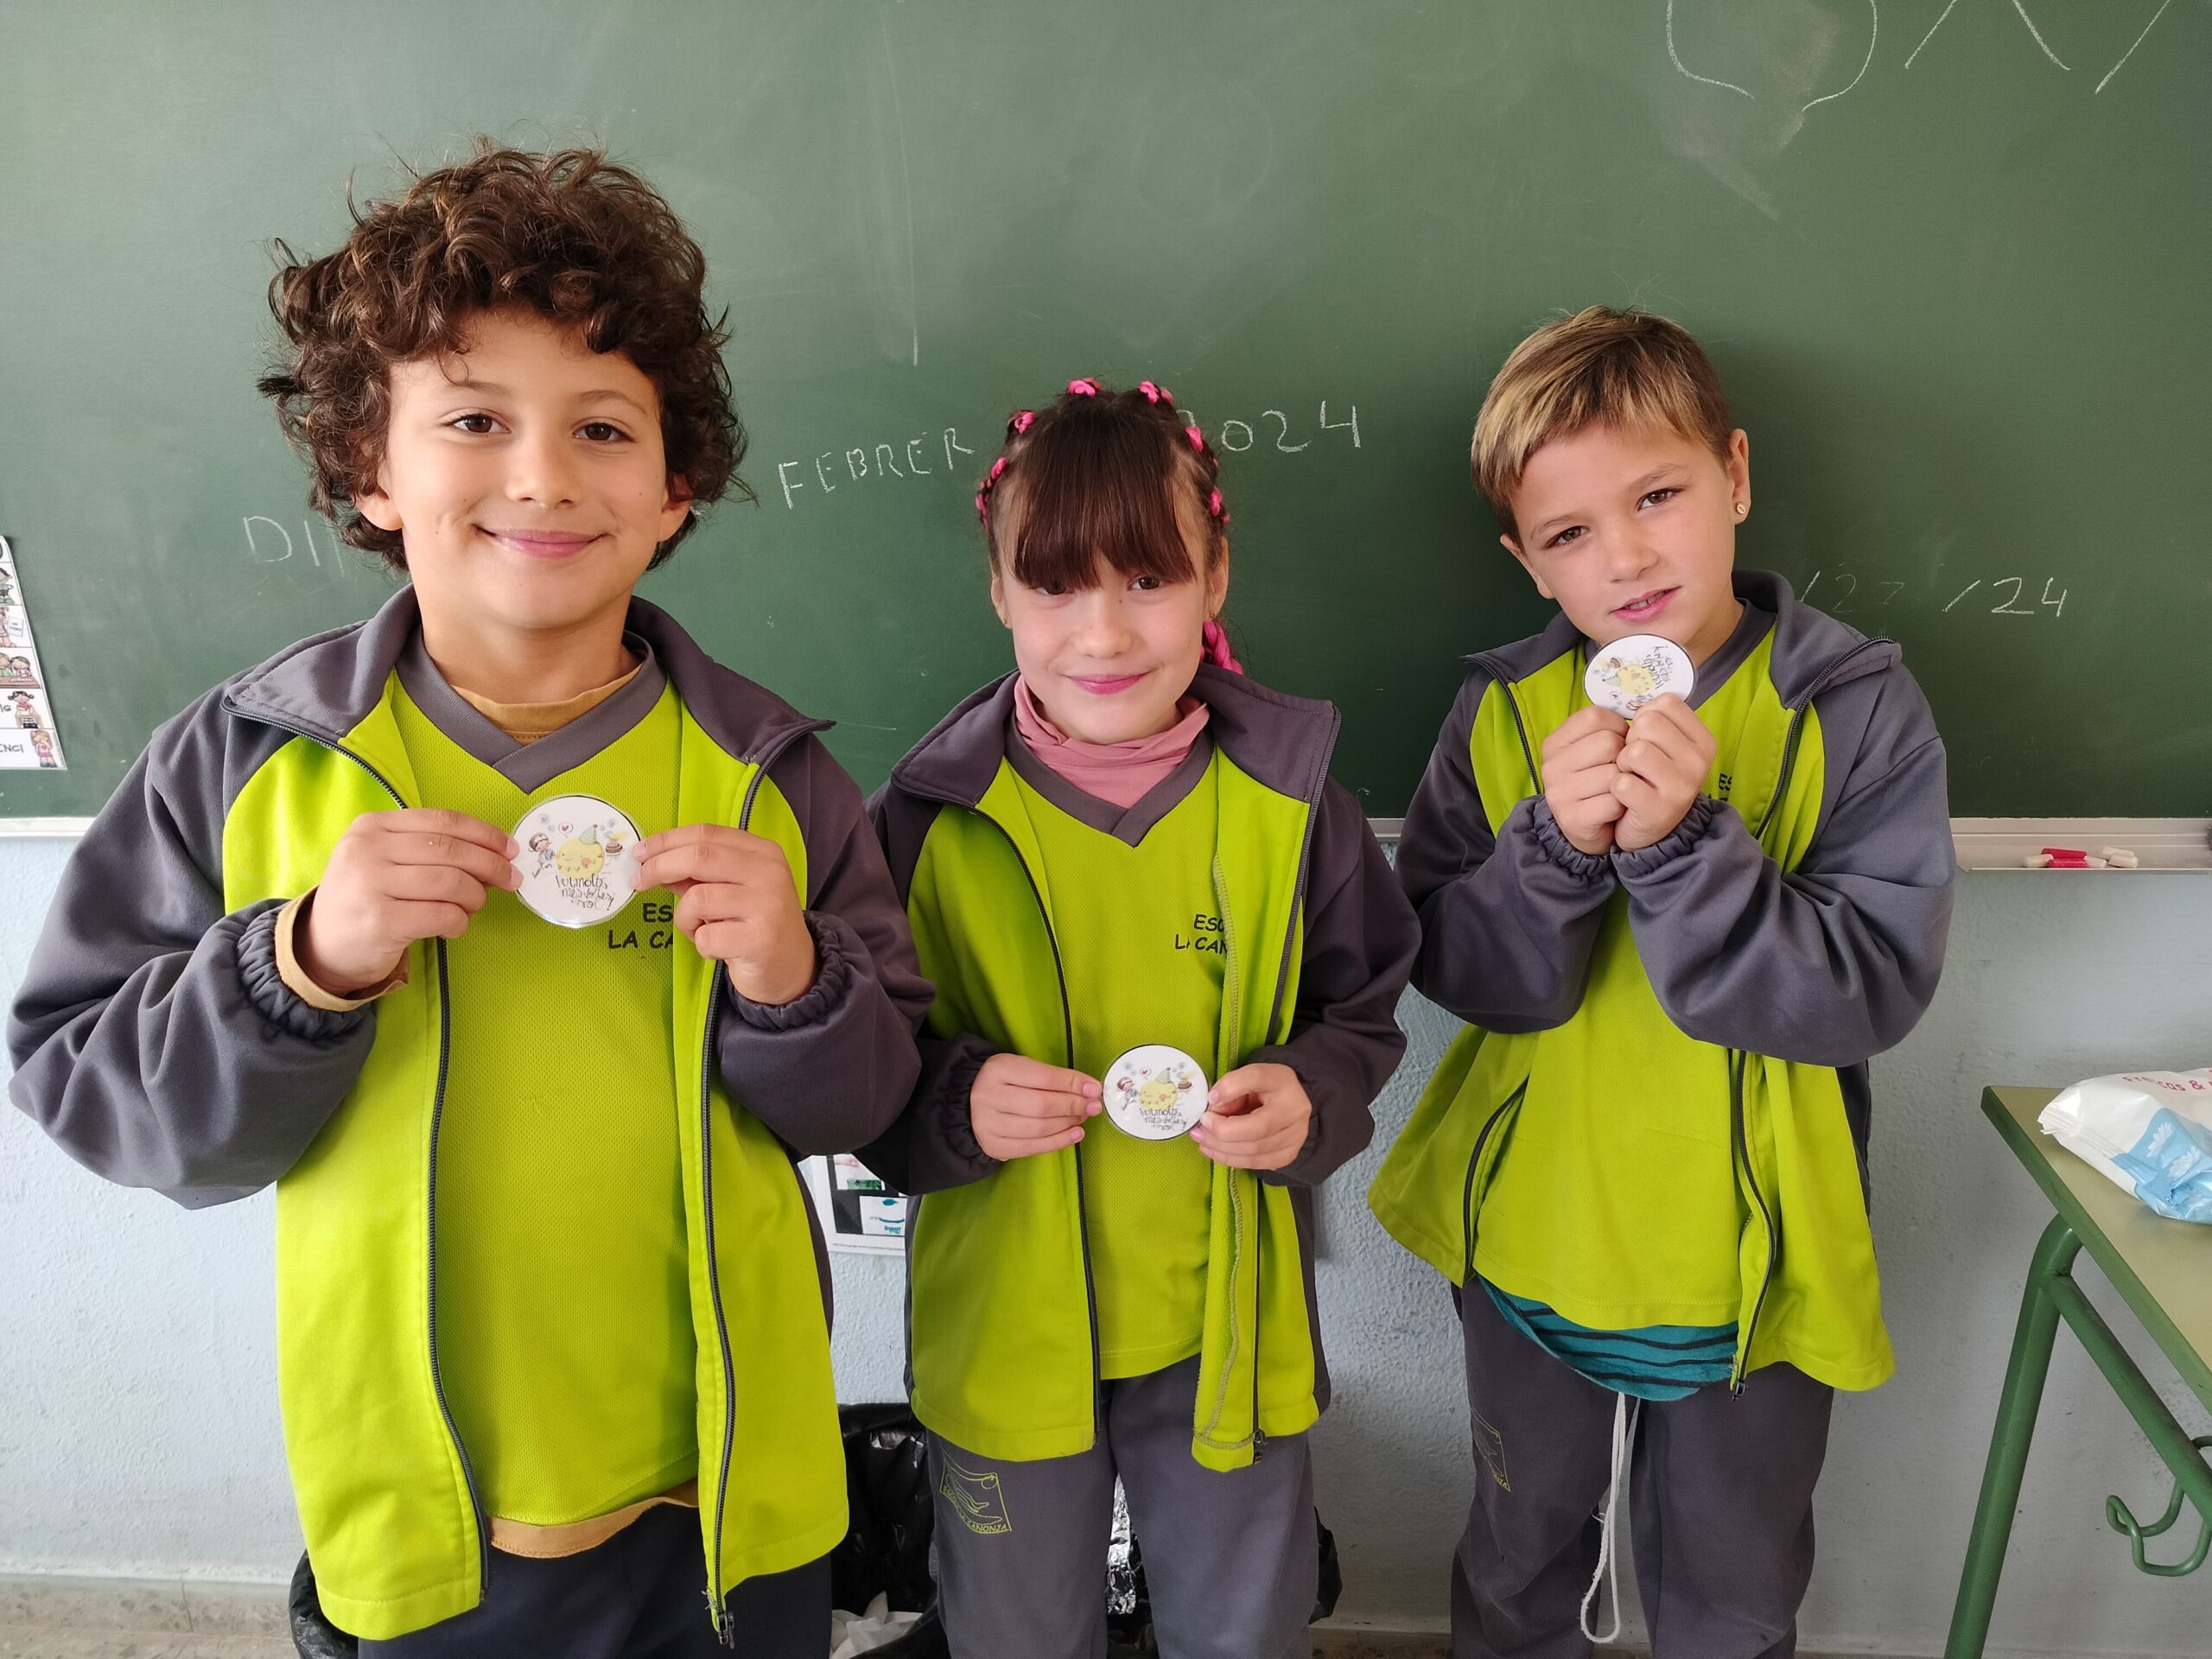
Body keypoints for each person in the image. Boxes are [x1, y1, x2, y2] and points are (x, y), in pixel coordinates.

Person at [7, 143, 929, 1657]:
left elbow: (874, 1110)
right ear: (370, 466)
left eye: (603, 427)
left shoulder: (770, 775)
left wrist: (797, 982)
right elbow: (94, 1094)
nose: (543, 476)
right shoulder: (249, 764)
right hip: (425, 1511)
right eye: (475, 419)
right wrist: (298, 966)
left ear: (676, 489)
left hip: (729, 1500)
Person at [1370, 307, 1955, 1658]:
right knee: (1520, 1551)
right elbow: (1458, 968)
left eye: (1657, 497)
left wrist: (1689, 847)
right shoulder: (1506, 714)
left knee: (1735, 1586)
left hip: (1754, 1257)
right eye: (1570, 533)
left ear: (1734, 475)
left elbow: (1866, 989)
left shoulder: (1854, 708)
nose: (1627, 557)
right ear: (1526, 561)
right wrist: (1553, 853)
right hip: (1538, 1235)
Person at [861, 377, 1418, 1659]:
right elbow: (861, 1063)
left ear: (1216, 576)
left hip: (1226, 1335)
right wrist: (955, 1102)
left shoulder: (1293, 808)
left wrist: (1312, 1094)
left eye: (1149, 579)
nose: (1103, 633)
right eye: (1055, 586)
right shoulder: (923, 821)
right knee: (1013, 1636)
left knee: (1243, 1631)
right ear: (998, 592)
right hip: (1006, 1333)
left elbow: (1361, 1008)